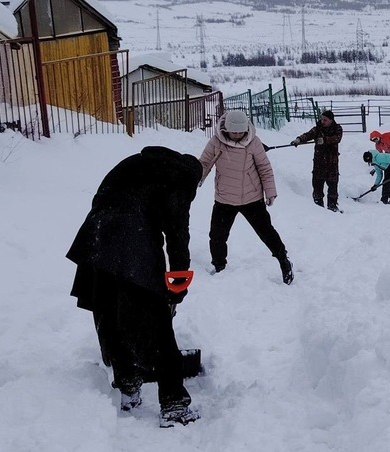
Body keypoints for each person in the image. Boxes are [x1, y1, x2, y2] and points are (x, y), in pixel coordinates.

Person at [66, 146, 201, 428]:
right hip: (132, 246)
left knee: (109, 314)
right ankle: (174, 404)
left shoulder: (137, 162)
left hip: (96, 237)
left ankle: (128, 384)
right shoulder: (180, 180)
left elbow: (101, 195)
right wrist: (176, 290)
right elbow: (178, 239)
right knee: (159, 327)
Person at [199, 110, 293, 285]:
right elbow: (204, 163)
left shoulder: (253, 143)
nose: (237, 135)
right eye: (234, 132)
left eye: (240, 132)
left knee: (266, 232)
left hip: (252, 198)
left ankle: (283, 260)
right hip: (224, 198)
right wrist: (197, 178)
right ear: (226, 129)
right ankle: (219, 266)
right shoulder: (215, 142)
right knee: (217, 236)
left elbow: (264, 168)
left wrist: (270, 191)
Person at [290, 110, 343, 212]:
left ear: (331, 120)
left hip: (332, 164)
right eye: (322, 119)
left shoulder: (337, 129)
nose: (322, 121)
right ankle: (318, 209)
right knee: (317, 186)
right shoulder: (317, 129)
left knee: (332, 186)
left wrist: (324, 140)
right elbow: (308, 135)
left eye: (325, 120)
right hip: (319, 163)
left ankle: (332, 207)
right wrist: (299, 139)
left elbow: (337, 138)